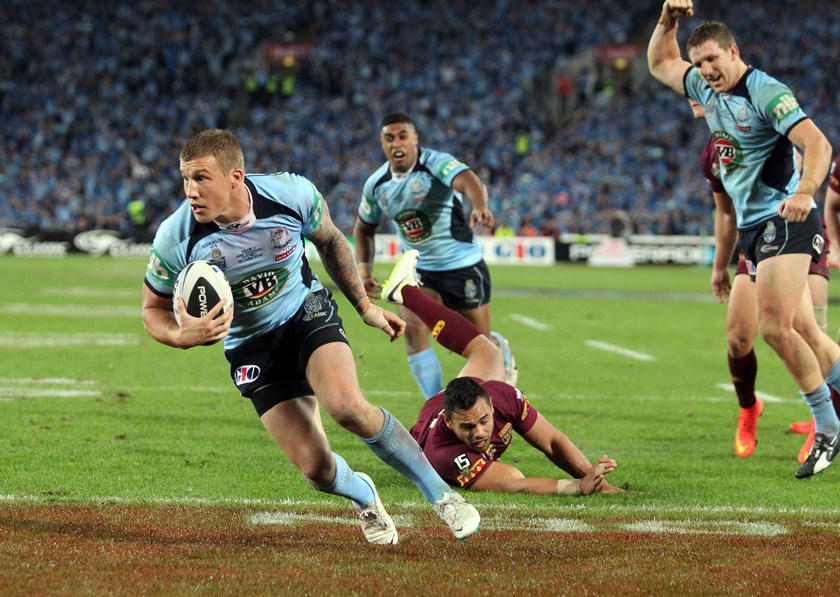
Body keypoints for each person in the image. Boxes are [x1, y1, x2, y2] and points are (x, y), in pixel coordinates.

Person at [141, 129, 481, 545]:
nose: (190, 191)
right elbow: (152, 309)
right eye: (185, 179)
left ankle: (443, 497)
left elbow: (331, 241)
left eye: (201, 178)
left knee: (347, 407)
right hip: (251, 347)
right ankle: (365, 495)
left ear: (235, 177)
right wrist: (181, 336)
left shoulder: (290, 194)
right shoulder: (175, 236)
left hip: (304, 312)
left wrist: (365, 306)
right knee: (317, 469)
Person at [648, 1, 840, 478]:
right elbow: (660, 62)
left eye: (713, 58)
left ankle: (827, 426)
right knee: (806, 331)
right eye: (699, 63)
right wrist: (667, 20)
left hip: (785, 218)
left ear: (733, 52)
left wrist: (804, 191)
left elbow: (818, 143)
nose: (706, 69)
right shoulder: (702, 86)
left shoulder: (766, 91)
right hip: (753, 230)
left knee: (774, 328)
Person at [380, 250, 623, 496]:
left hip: (447, 401)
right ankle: (405, 292)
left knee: (489, 351)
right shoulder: (447, 456)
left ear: (492, 406)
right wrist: (578, 486)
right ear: (450, 423)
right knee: (510, 470)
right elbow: (513, 483)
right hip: (427, 432)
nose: (479, 432)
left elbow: (552, 441)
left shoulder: (502, 395)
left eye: (484, 420)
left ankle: (406, 291)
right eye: (467, 427)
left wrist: (597, 482)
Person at [693, 99, 840, 461]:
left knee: (809, 330)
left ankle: (823, 423)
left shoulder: (759, 117)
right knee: (739, 336)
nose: (698, 90)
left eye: (707, 81)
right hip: (758, 241)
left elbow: (805, 153)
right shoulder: (712, 154)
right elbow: (725, 214)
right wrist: (719, 266)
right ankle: (749, 410)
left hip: (795, 229)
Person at [353, 112, 517, 400]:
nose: (396, 143)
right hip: (418, 270)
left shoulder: (435, 163)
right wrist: (364, 271)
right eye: (389, 138)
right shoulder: (376, 184)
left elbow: (469, 181)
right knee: (413, 332)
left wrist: (479, 205)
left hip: (462, 266)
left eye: (403, 136)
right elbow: (364, 229)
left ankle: (498, 352)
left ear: (415, 138)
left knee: (480, 344)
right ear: (382, 143)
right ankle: (435, 404)